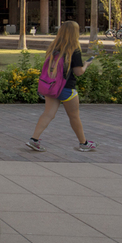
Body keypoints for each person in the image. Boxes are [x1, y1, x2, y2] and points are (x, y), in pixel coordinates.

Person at [27, 21, 96, 152]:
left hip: (52, 86)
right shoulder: (74, 49)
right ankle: (83, 143)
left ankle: (34, 139)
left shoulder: (53, 48)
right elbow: (78, 72)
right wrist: (86, 65)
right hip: (66, 88)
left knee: (48, 114)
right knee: (74, 116)